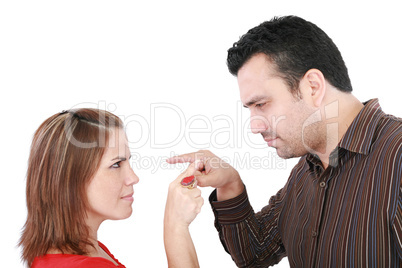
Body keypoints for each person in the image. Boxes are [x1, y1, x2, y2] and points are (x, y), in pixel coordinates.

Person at [167, 16, 402, 267]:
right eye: (250, 108)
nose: (254, 126)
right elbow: (255, 253)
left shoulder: (396, 155)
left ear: (312, 86)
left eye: (261, 104)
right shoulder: (306, 171)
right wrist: (230, 185)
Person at [19, 108, 203, 267]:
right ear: (71, 179)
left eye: (128, 161)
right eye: (116, 164)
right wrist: (176, 225)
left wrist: (231, 184)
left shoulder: (90, 249)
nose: (133, 178)